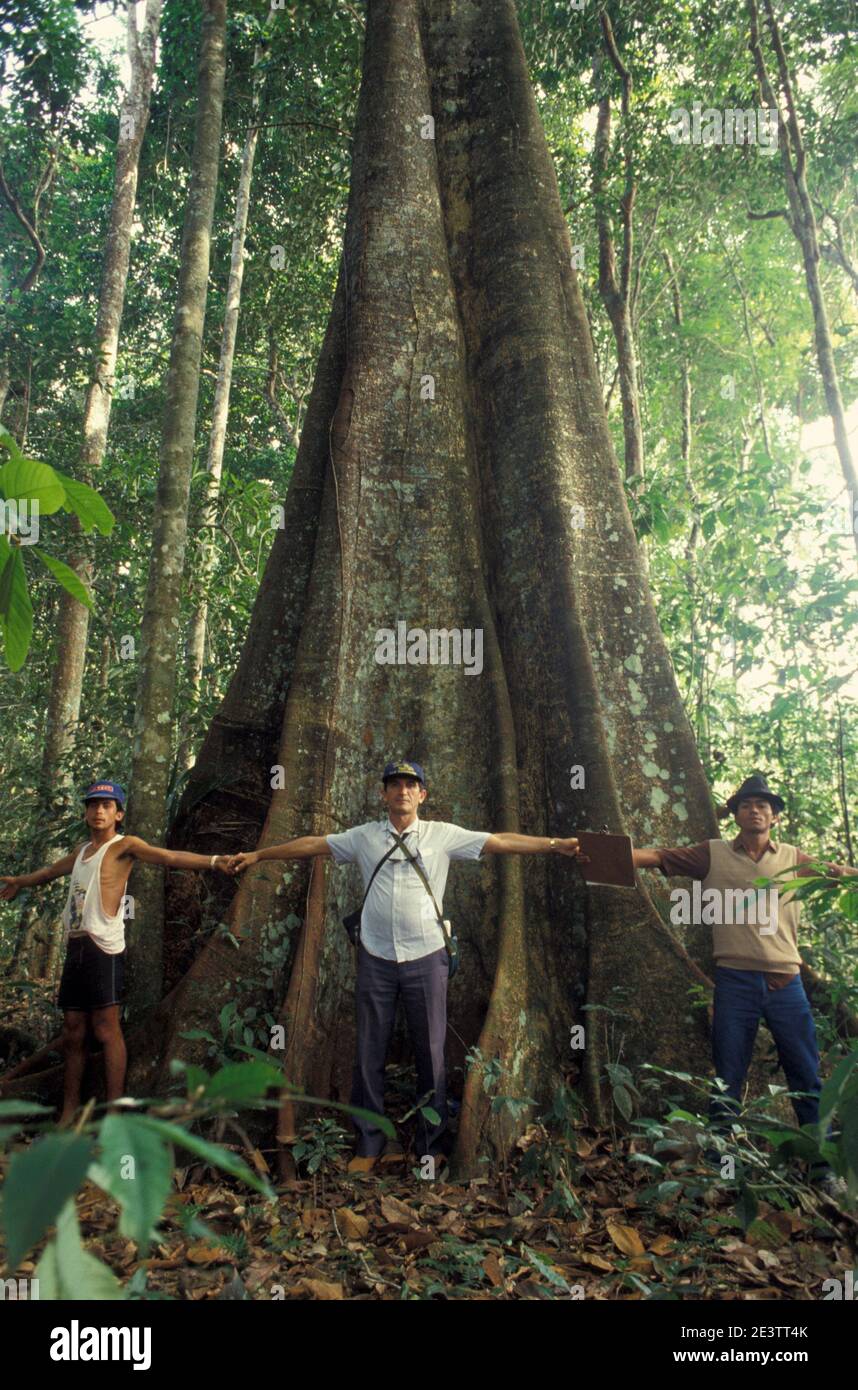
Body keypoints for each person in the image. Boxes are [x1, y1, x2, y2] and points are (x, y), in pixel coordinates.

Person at [232, 759, 583, 1175]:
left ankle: (431, 1146)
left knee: (431, 1053)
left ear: (423, 795)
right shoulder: (364, 837)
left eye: (410, 785)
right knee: (368, 1053)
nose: (402, 791)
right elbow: (313, 845)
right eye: (394, 785)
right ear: (383, 794)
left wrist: (554, 844)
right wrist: (259, 854)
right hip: (376, 958)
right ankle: (369, 1142)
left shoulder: (442, 836)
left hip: (427, 957)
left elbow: (499, 841)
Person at [632, 773, 855, 1196]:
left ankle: (822, 1170)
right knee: (727, 1078)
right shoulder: (711, 854)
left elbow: (840, 874)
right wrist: (604, 854)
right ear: (735, 814)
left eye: (763, 805)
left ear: (774, 816)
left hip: (787, 984)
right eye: (747, 804)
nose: (756, 810)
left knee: (807, 1076)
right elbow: (658, 856)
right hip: (735, 982)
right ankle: (724, 1169)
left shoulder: (793, 858)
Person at [0, 779, 235, 1125]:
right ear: (85, 813)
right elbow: (50, 872)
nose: (99, 811)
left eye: (106, 806)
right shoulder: (81, 853)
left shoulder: (124, 846)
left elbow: (168, 856)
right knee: (73, 1029)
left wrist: (215, 860)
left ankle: (115, 1113)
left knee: (107, 1029)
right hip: (76, 946)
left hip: (103, 948)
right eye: (93, 805)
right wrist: (21, 880)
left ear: (119, 814)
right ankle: (68, 1111)